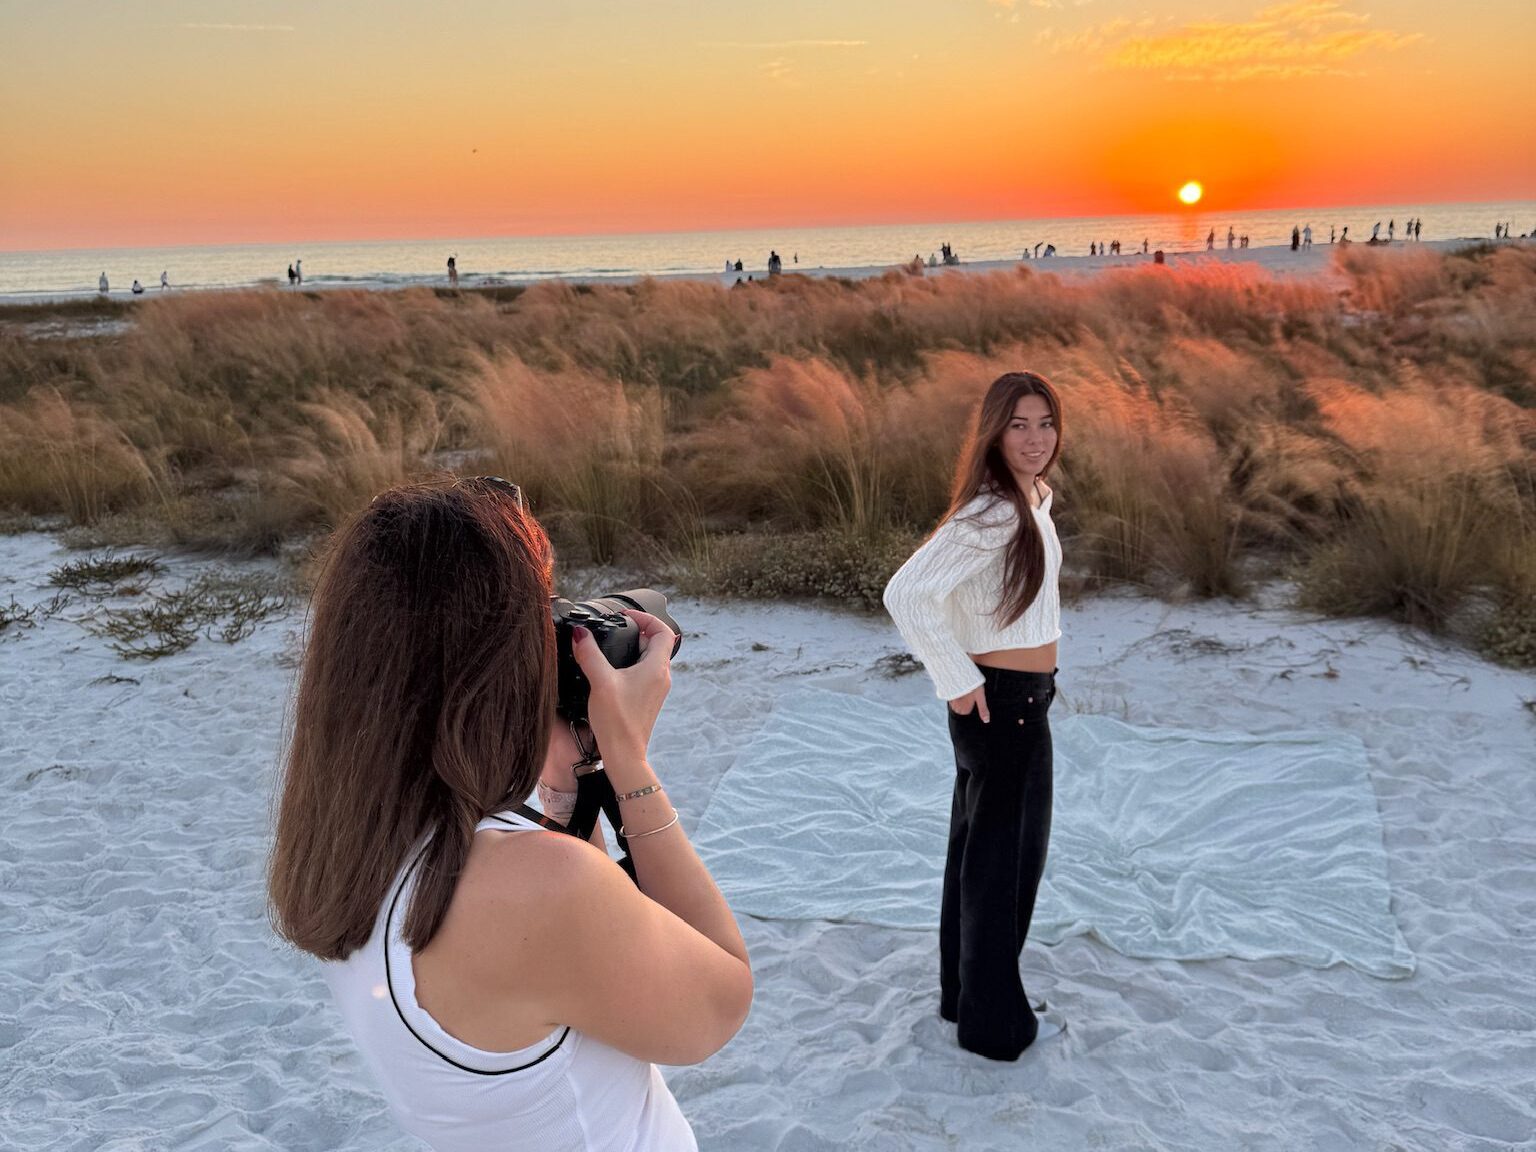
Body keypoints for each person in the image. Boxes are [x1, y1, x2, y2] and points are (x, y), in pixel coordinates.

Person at [268, 477, 752, 1151]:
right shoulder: (540, 889)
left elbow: (551, 965)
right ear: (498, 666)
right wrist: (628, 766)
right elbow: (719, 1004)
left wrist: (570, 780)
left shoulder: (347, 845)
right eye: (539, 614)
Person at [883, 372, 1067, 1062]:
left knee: (981, 856)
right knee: (1005, 864)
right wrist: (957, 679)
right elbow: (906, 594)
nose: (1035, 438)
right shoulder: (993, 513)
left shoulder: (1031, 500)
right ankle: (994, 1024)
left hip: (1015, 700)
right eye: (1019, 424)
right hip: (1003, 704)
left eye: (1045, 423)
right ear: (994, 430)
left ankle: (967, 997)